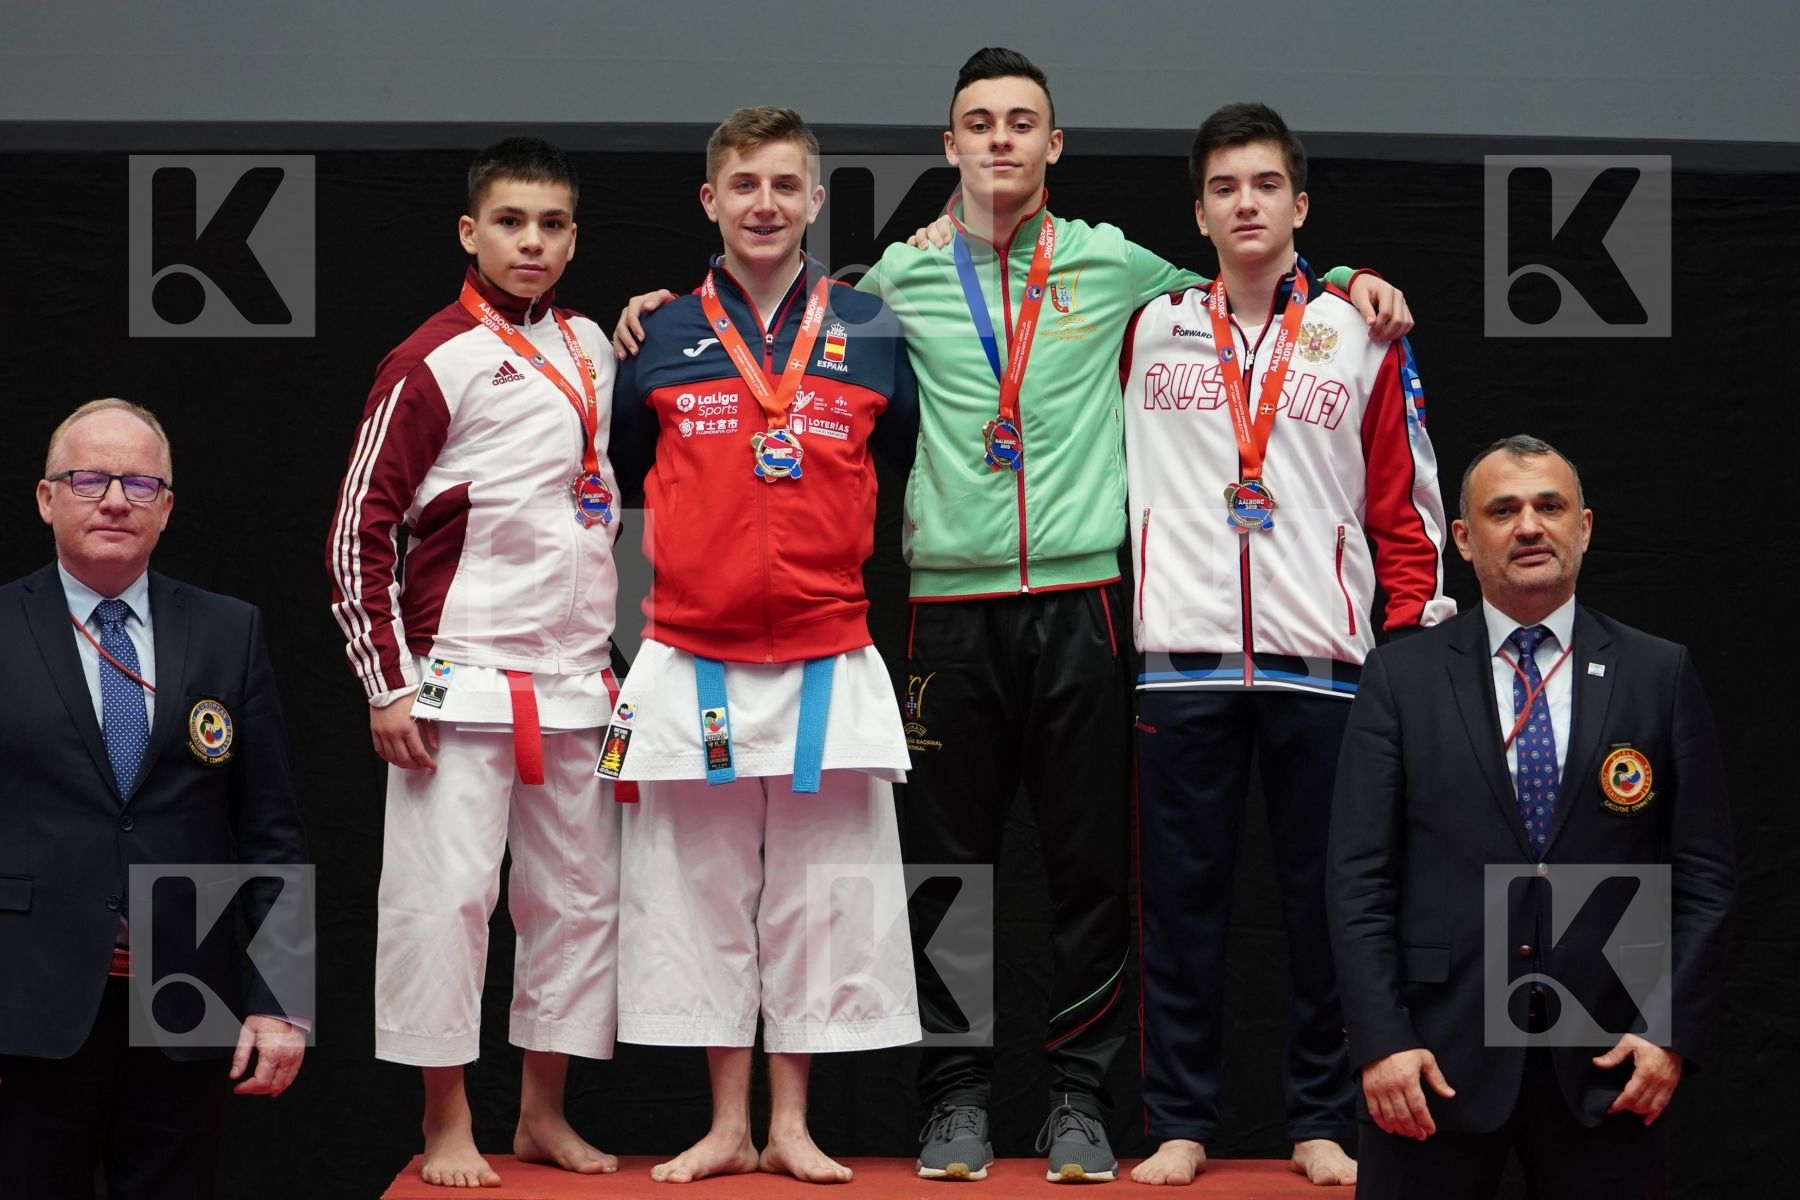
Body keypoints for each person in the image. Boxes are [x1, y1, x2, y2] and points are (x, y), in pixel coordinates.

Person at [609, 50, 1410, 1183]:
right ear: (948, 147)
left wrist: (1349, 282)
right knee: (951, 872)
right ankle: (955, 1099)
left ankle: (1082, 1100)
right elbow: (791, 347)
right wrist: (654, 305)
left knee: (1090, 871)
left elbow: (1251, 275)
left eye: (1020, 122)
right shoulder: (892, 283)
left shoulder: (1114, 263)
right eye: (977, 122)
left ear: (1054, 146)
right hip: (949, 608)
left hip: (1083, 602)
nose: (998, 140)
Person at [1118, 102, 1454, 1187]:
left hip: (1330, 666)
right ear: (1200, 212)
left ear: (1300, 204)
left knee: (1329, 908)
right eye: (1225, 188)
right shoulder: (1151, 324)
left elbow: (1407, 510)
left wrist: (1406, 646)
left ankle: (1322, 1117)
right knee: (1179, 905)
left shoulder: (1365, 331)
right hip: (1182, 656)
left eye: (1266, 185)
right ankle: (1179, 1122)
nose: (1246, 203)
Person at [600, 104, 921, 1187]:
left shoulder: (874, 327)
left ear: (817, 200)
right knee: (700, 897)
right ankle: (726, 1125)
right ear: (710, 200)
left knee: (817, 895)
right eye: (745, 186)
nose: (766, 205)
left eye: (786, 186)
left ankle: (791, 1125)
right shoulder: (658, 333)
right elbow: (629, 486)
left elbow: (900, 462)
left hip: (828, 647)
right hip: (693, 652)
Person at [326, 137, 624, 1189]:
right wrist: (387, 683)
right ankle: (446, 1120)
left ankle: (541, 1112)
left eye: (550, 224)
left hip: (578, 681)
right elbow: (356, 527)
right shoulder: (430, 358)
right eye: (510, 222)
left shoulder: (595, 342)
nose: (532, 242)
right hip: (459, 679)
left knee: (579, 903)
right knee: (444, 902)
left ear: (574, 235)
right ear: (470, 231)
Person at [1327, 435, 1736, 1198]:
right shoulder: (1399, 677)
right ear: (1462, 537)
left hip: (1610, 1061)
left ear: (1584, 527)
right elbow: (1357, 881)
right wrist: (1381, 1043)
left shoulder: (1659, 673)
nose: (1528, 526)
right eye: (1503, 509)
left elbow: (1705, 879)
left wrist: (1668, 1031)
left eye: (1550, 507)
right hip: (1431, 1068)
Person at [0, 398, 310, 1198]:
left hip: (185, 1004)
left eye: (139, 484)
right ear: (46, 498)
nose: (114, 500)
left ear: (166, 509)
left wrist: (283, 1003)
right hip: (25, 1004)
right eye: (90, 479)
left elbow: (271, 830)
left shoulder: (226, 630)